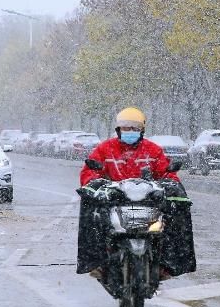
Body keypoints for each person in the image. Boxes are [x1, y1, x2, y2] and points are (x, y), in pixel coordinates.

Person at [76, 107, 196, 278]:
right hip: (114, 200)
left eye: (134, 129)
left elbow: (167, 173)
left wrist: (169, 184)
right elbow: (89, 171)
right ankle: (96, 262)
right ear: (118, 130)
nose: (130, 132)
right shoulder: (105, 149)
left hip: (147, 201)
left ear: (142, 130)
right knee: (91, 210)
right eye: (126, 128)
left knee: (177, 210)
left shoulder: (153, 150)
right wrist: (96, 183)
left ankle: (169, 263)